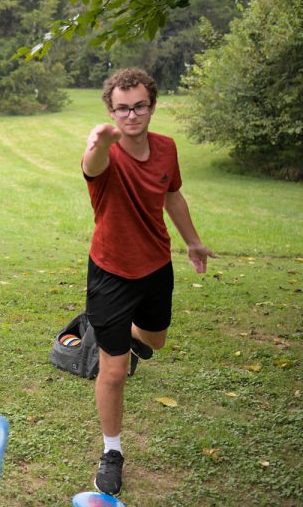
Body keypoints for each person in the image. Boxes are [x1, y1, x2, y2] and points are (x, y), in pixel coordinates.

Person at [80, 68, 216, 496]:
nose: (132, 114)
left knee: (155, 342)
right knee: (115, 371)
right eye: (123, 108)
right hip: (111, 271)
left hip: (156, 265)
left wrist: (192, 243)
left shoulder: (166, 148)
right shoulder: (105, 153)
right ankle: (112, 451)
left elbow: (172, 194)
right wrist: (101, 141)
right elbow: (92, 165)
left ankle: (114, 335)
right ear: (111, 110)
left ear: (152, 106)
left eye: (140, 106)